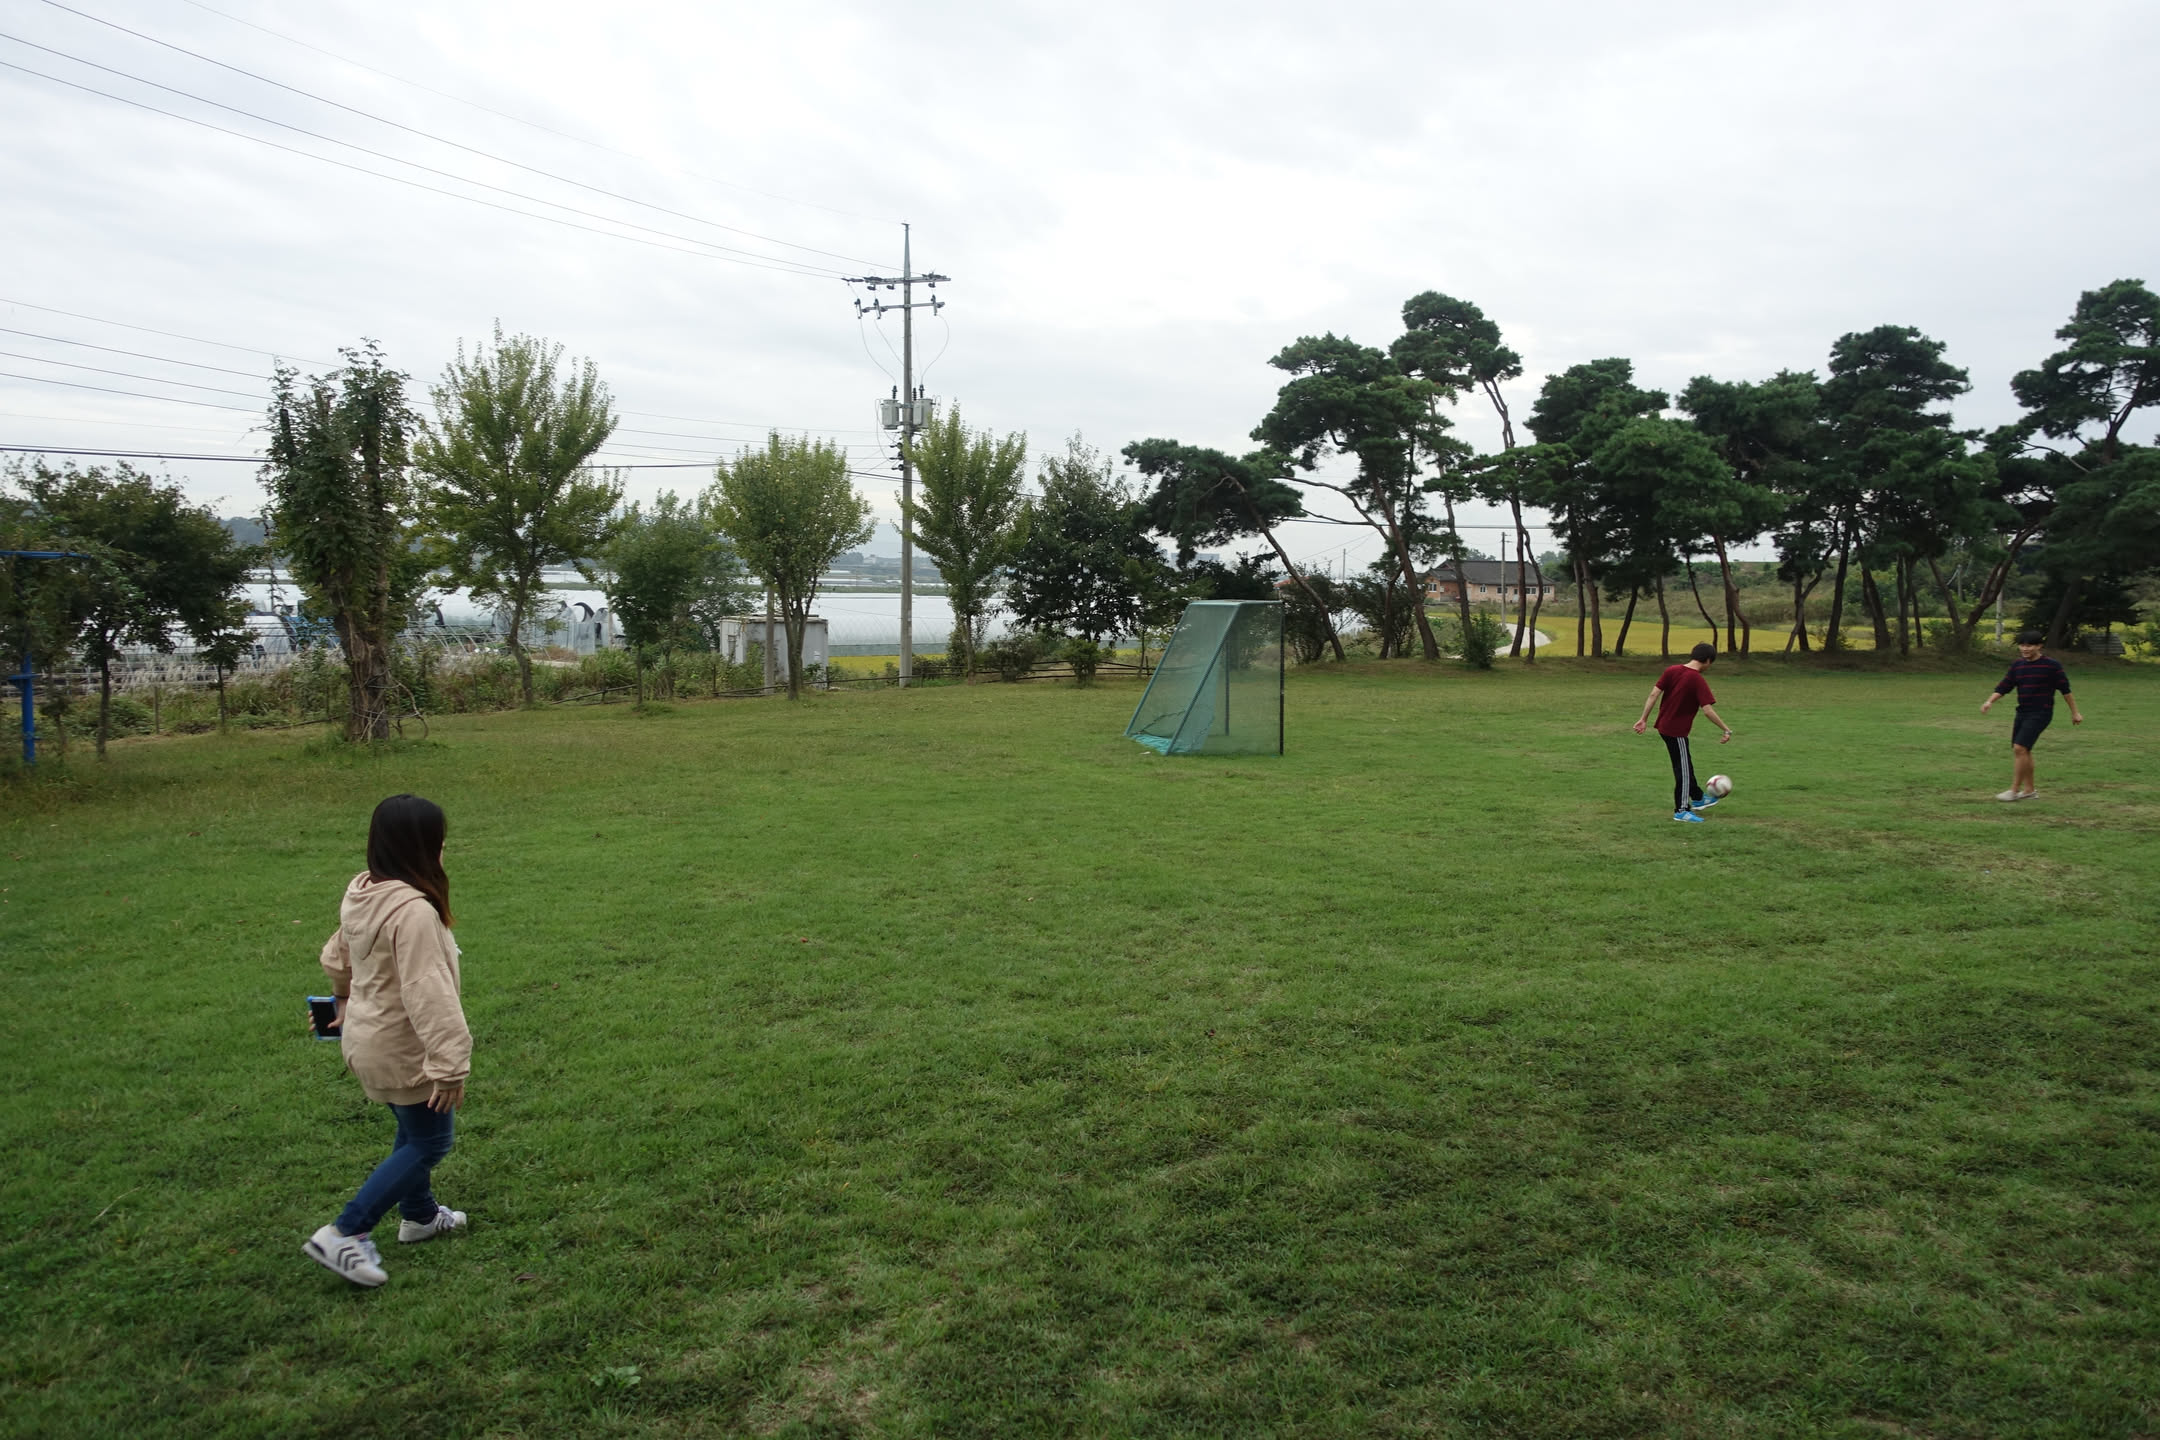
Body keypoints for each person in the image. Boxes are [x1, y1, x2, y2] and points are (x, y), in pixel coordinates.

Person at [302, 794, 472, 1288]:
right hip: (402, 1047)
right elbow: (428, 992)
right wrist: (450, 1064)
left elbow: (337, 955)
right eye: (439, 842)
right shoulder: (413, 912)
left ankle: (420, 1216)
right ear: (420, 847)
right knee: (432, 1141)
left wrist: (341, 999)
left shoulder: (364, 892)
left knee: (412, 1130)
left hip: (368, 1039)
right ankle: (346, 1232)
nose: (443, 850)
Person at [1632, 642, 1733, 823]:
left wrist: (1643, 718)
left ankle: (1699, 798)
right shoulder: (1697, 680)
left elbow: (1654, 694)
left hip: (1664, 726)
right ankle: (1681, 811)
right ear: (1707, 660)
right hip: (1676, 731)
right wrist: (1725, 729)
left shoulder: (1672, 670)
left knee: (1685, 765)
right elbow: (1707, 711)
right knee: (1683, 771)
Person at [1980, 630, 2084, 801]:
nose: (2025, 649)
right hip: (2022, 712)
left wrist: (2075, 712)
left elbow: (2065, 690)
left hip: (2041, 712)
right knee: (2024, 751)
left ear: (2039, 646)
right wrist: (1989, 701)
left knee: (2019, 748)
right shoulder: (2017, 665)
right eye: (2022, 645)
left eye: (2029, 645)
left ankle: (2014, 791)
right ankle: (2029, 791)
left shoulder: (2052, 666)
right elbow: (2005, 686)